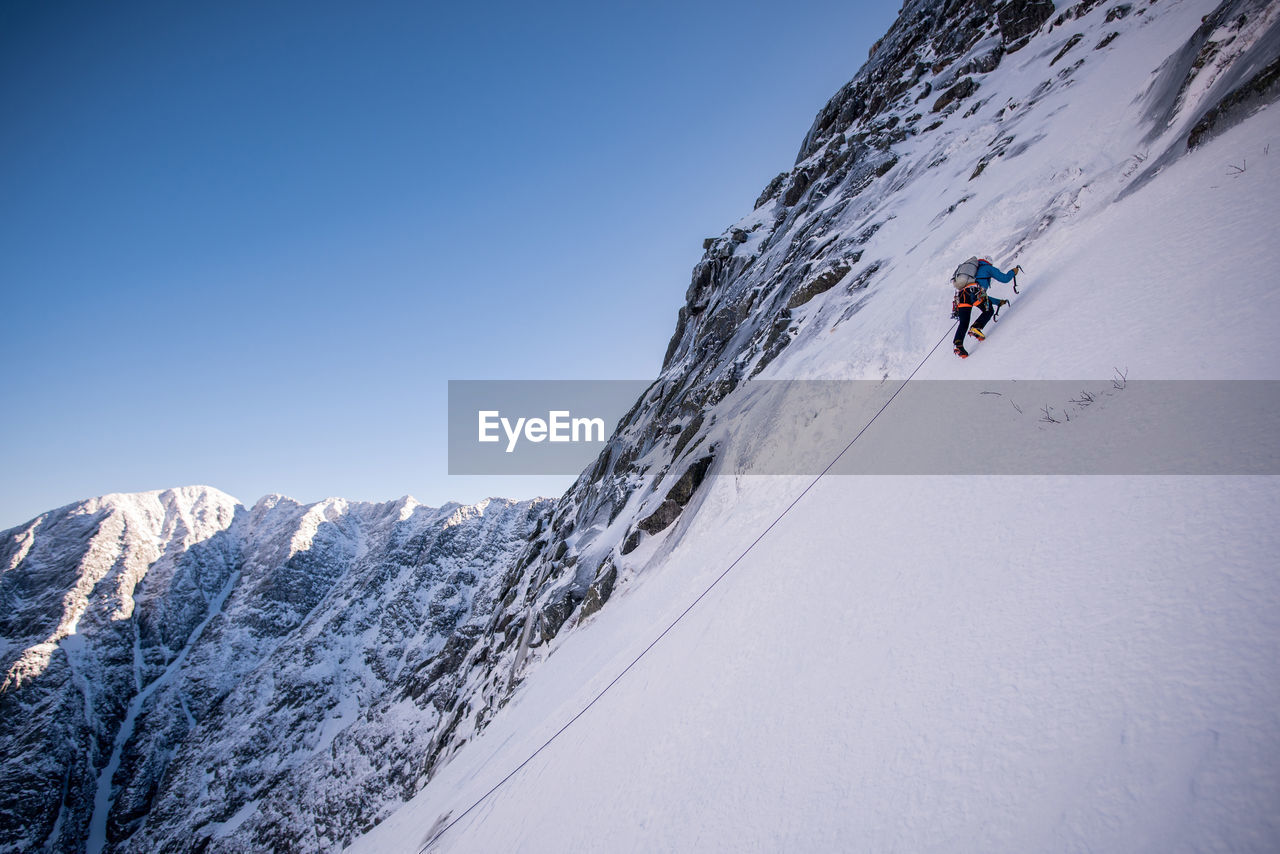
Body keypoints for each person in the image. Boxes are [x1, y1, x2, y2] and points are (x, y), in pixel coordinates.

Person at [952, 257, 1020, 358]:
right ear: (989, 263)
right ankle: (976, 327)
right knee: (988, 311)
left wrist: (997, 302)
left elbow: (984, 298)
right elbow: (1004, 279)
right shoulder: (988, 268)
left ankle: (958, 345)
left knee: (964, 322)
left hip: (961, 296)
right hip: (974, 293)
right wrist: (1013, 272)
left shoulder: (971, 272)